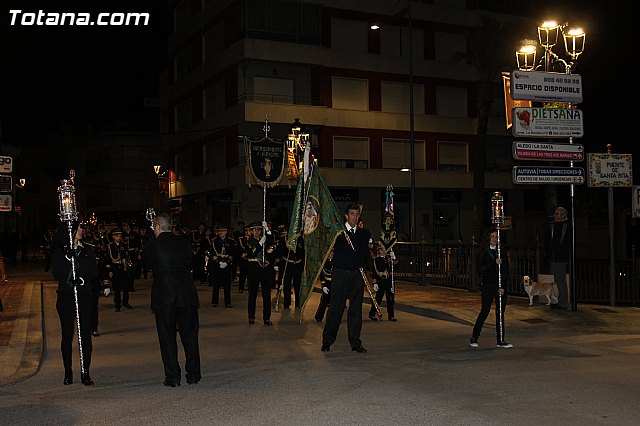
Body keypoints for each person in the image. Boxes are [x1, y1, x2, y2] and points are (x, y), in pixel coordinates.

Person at [142, 212, 201, 387]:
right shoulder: (184, 241)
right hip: (186, 293)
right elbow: (191, 262)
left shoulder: (152, 245)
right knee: (190, 336)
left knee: (167, 337)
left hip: (164, 294)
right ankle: (193, 375)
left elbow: (145, 266)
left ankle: (173, 377)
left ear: (158, 227)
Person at [51, 222, 100, 386]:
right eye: (79, 228)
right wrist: (68, 258)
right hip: (66, 295)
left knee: (85, 334)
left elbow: (94, 270)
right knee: (67, 334)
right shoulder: (60, 250)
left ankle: (85, 371)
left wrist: (81, 277)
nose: (82, 231)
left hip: (84, 295)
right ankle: (68, 370)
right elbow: (56, 272)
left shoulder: (86, 249)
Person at [321, 204, 371, 353]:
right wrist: (330, 257)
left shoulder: (364, 234)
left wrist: (370, 274)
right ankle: (327, 341)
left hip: (357, 274)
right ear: (346, 216)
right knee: (336, 308)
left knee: (356, 309)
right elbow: (328, 252)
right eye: (352, 214)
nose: (355, 217)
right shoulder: (337, 233)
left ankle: (355, 343)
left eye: (357, 214)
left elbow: (365, 255)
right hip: (340, 273)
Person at [469, 228, 512, 349]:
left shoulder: (501, 251)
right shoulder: (483, 252)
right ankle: (474, 337)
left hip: (500, 287)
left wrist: (503, 286)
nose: (495, 239)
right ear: (488, 238)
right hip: (488, 285)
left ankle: (501, 340)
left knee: (500, 313)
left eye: (496, 237)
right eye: (492, 236)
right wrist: (494, 263)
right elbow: (480, 269)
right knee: (485, 311)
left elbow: (506, 270)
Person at [243, 221, 276, 325]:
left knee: (266, 295)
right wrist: (260, 244)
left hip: (265, 270)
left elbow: (272, 242)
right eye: (254, 230)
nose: (257, 232)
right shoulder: (248, 241)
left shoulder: (265, 238)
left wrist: (268, 230)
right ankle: (251, 316)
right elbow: (252, 254)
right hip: (254, 270)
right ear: (251, 231)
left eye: (259, 229)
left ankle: (267, 318)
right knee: (252, 294)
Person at [105, 229, 132, 311]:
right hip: (115, 267)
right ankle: (117, 304)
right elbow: (108, 259)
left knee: (125, 286)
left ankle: (126, 302)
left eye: (120, 236)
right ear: (113, 237)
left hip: (123, 267)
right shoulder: (110, 246)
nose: (119, 237)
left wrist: (127, 263)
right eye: (117, 236)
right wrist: (109, 270)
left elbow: (127, 255)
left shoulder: (124, 245)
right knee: (116, 287)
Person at [368, 244, 398, 322]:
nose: (384, 251)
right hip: (380, 281)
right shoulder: (377, 260)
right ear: (379, 251)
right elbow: (374, 272)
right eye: (382, 250)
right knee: (378, 299)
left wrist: (394, 258)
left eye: (385, 250)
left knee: (390, 299)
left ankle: (391, 315)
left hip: (388, 281)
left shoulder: (388, 259)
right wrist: (375, 283)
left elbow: (395, 266)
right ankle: (372, 313)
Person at [209, 224, 235, 308]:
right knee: (216, 284)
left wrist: (227, 262)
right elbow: (212, 254)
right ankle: (214, 301)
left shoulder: (230, 241)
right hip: (217, 264)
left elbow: (232, 253)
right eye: (219, 231)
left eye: (223, 231)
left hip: (227, 264)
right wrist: (219, 262)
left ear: (226, 232)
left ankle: (228, 302)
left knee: (227, 284)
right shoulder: (214, 241)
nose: (221, 233)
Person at [550, 207, 571, 309]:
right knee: (559, 279)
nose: (555, 216)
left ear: (563, 215)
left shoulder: (564, 226)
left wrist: (556, 252)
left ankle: (563, 303)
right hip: (558, 256)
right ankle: (562, 302)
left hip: (560, 256)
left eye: (558, 214)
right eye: (555, 213)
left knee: (560, 280)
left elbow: (560, 242)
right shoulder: (559, 225)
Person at [314, 250, 333, 323]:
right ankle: (319, 316)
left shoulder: (336, 262)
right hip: (327, 283)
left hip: (335, 284)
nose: (331, 255)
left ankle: (331, 318)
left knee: (334, 302)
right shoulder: (324, 263)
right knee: (324, 301)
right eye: (329, 253)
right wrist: (324, 285)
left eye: (332, 253)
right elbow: (322, 274)